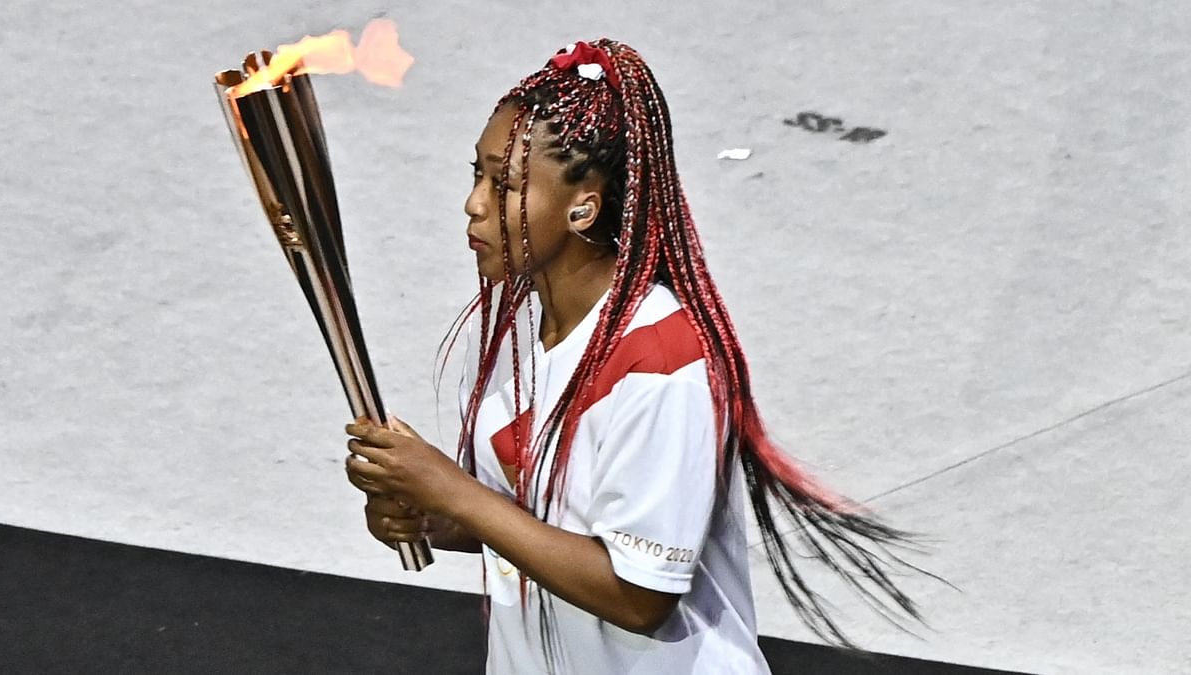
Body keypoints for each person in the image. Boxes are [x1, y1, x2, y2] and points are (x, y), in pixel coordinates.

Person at [343, 38, 921, 674]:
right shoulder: (516, 341)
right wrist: (421, 511)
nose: (475, 202)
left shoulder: (662, 363)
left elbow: (640, 595)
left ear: (583, 204)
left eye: (504, 183)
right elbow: (522, 526)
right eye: (476, 174)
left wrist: (453, 492)